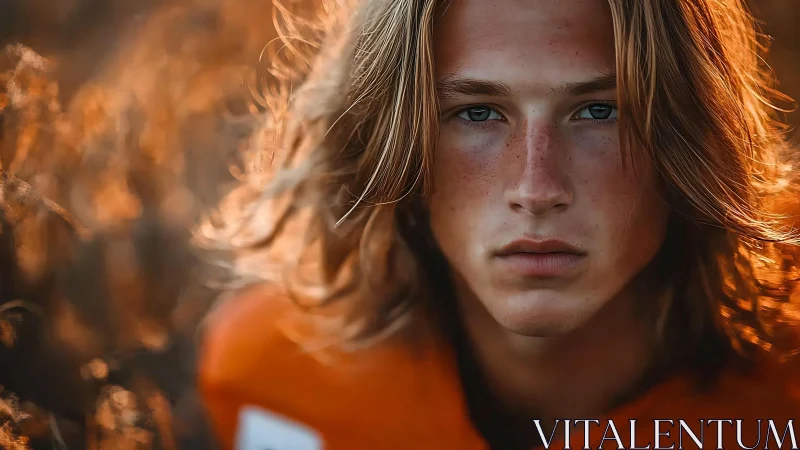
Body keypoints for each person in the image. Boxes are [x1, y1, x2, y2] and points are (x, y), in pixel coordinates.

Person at [197, 0, 800, 448]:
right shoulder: (273, 380)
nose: (536, 190)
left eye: (599, 111)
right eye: (476, 113)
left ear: (693, 140)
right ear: (389, 142)